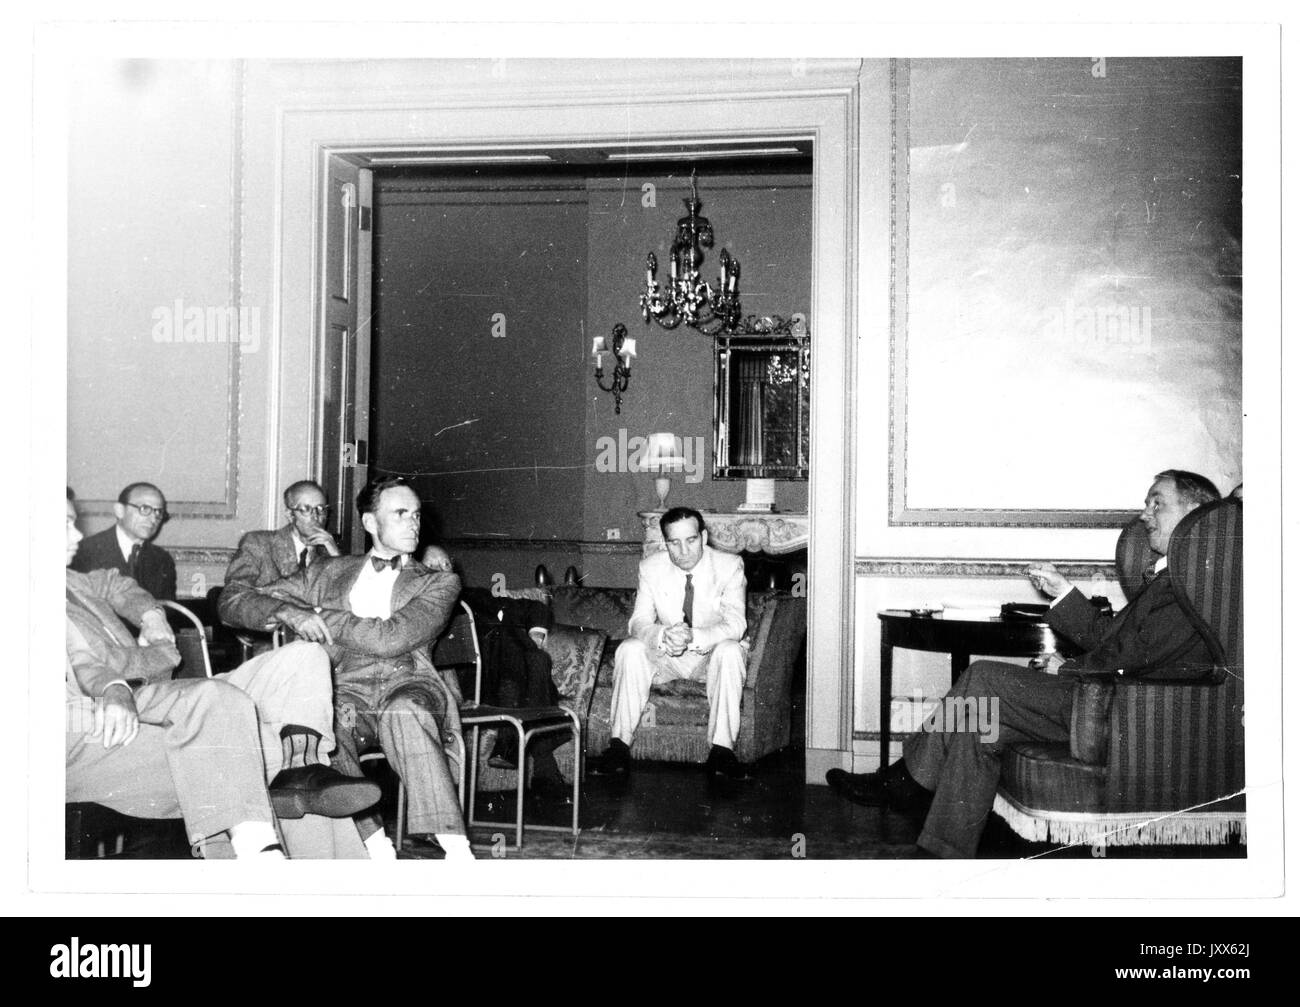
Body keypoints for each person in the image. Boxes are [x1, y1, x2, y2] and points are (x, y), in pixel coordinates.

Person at [826, 470, 1222, 858]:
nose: (1145, 514)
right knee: (979, 724)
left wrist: (1065, 669)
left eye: (1158, 504)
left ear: (1195, 515)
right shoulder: (1172, 578)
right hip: (1105, 701)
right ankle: (941, 852)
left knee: (982, 676)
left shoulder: (1189, 586)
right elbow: (1120, 644)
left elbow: (1133, 657)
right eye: (1146, 504)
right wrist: (1064, 593)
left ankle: (905, 781)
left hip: (1126, 712)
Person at [66, 489, 379, 859]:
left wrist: (150, 615)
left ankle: (302, 767)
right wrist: (129, 673)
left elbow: (117, 584)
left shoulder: (73, 581)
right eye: (66, 525)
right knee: (242, 722)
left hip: (163, 692)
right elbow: (88, 662)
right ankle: (268, 852)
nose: (78, 535)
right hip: (116, 700)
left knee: (305, 658)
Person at [218, 476, 472, 860]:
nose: (413, 523)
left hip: (408, 682)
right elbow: (233, 599)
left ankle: (457, 848)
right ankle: (373, 844)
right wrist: (285, 610)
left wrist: (317, 615)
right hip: (345, 686)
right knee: (326, 726)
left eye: (416, 514)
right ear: (370, 523)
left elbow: (389, 638)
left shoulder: (439, 581)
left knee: (405, 712)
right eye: (400, 514)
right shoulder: (327, 573)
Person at [592, 506, 749, 780]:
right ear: (666, 543)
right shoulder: (650, 567)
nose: (683, 550)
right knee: (630, 648)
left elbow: (736, 625)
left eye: (690, 540)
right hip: (667, 657)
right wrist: (663, 635)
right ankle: (617, 747)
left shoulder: (729, 565)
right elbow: (638, 622)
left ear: (703, 536)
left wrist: (693, 636)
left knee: (731, 650)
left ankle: (722, 751)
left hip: (709, 656)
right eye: (674, 542)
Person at [71, 482, 177, 601]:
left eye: (158, 512)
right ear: (119, 510)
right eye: (145, 509)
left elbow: (168, 611)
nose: (153, 519)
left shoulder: (163, 560)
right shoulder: (83, 553)